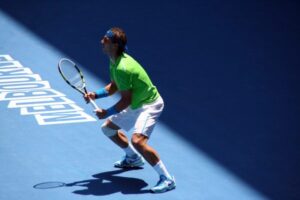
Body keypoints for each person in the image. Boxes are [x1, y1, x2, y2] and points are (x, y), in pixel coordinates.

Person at [84, 27, 175, 193]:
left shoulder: (122, 67)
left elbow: (126, 100)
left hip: (149, 104)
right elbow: (114, 86)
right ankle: (133, 158)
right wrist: (95, 95)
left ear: (115, 45)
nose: (101, 41)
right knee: (108, 129)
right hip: (136, 103)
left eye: (106, 39)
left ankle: (167, 179)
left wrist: (106, 112)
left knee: (138, 141)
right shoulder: (114, 61)